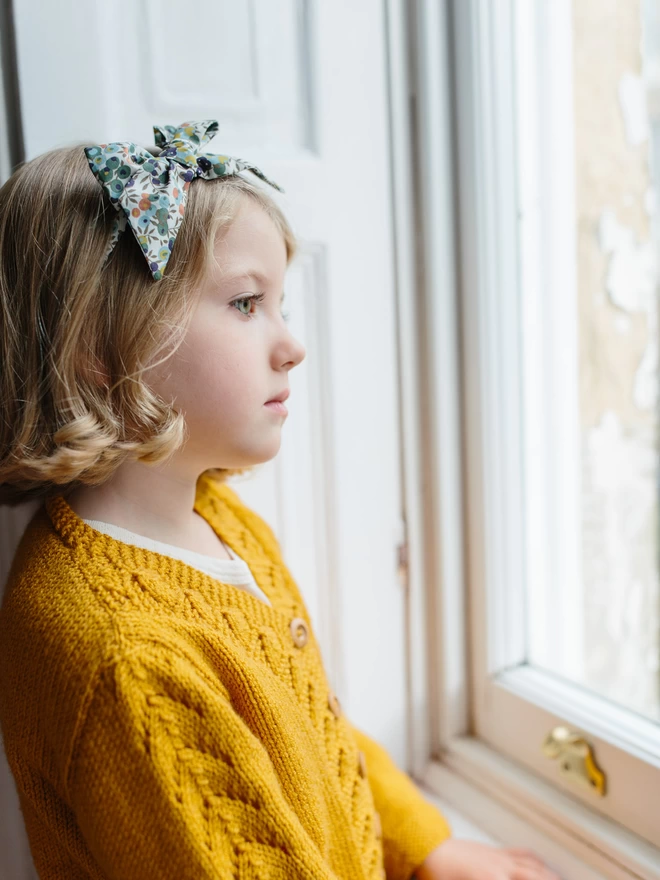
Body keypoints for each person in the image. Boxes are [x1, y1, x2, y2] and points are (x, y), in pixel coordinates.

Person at [0, 119, 560, 880]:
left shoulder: (216, 521)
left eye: (280, 304)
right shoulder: (123, 659)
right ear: (103, 350)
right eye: (245, 304)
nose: (291, 343)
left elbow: (316, 738)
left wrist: (427, 845)